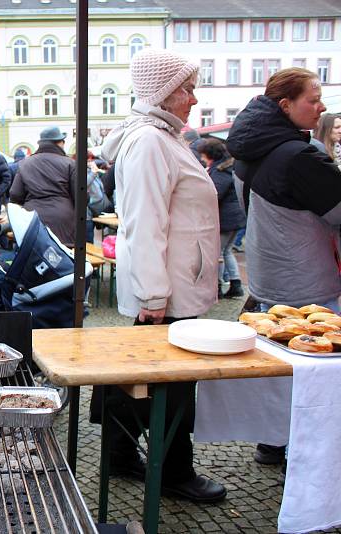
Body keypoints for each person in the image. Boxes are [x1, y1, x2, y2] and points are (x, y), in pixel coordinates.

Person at [97, 48, 226, 503]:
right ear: (164, 94)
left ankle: (121, 453)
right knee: (171, 388)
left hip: (171, 287)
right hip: (167, 292)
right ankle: (173, 471)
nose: (193, 97)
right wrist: (154, 295)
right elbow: (144, 221)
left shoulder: (163, 137)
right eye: (187, 89)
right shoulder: (151, 141)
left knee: (146, 378)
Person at [227, 68, 341, 466]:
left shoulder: (248, 149)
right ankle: (309, 457)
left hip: (265, 272)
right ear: (285, 105)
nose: (321, 106)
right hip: (311, 280)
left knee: (278, 364)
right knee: (316, 370)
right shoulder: (299, 155)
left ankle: (273, 442)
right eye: (314, 99)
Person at [9, 127, 79, 245]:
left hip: (32, 220)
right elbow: (80, 197)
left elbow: (15, 194)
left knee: (34, 257)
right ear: (59, 143)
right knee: (65, 258)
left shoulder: (25, 163)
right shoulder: (70, 164)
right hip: (62, 220)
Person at [197, 138, 245, 299]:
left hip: (225, 220)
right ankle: (235, 284)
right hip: (234, 218)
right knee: (226, 252)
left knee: (216, 253)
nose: (202, 159)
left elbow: (214, 194)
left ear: (210, 155)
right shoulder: (229, 167)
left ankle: (216, 287)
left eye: (203, 156)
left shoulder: (220, 171)